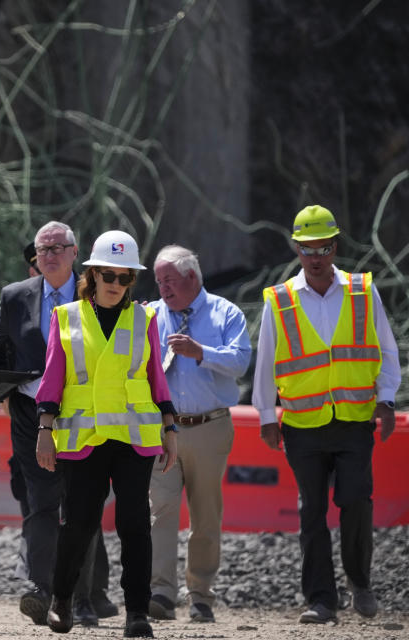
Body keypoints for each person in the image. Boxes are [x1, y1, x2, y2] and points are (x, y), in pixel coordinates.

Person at [252, 205, 401, 624]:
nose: (315, 257)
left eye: (323, 247)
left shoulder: (361, 290)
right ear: (296, 250)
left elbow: (386, 349)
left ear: (335, 247)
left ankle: (360, 582)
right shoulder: (279, 301)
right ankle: (321, 600)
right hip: (302, 423)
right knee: (311, 510)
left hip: (354, 420)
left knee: (355, 500)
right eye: (307, 249)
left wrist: (386, 399)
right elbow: (266, 360)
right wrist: (266, 414)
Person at [35, 230, 178, 637]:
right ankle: (62, 601)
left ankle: (137, 613)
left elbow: (156, 380)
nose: (116, 284)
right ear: (93, 274)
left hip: (134, 439)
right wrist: (45, 430)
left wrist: (169, 428)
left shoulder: (145, 319)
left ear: (131, 281)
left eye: (124, 277)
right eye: (108, 275)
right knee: (78, 524)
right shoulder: (65, 318)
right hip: (84, 438)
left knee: (135, 524)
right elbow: (52, 380)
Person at [0, 222, 116, 627]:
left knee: (81, 507)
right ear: (35, 257)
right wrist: (7, 384)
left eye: (59, 247)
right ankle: (41, 590)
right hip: (29, 415)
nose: (51, 254)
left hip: (82, 414)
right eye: (44, 249)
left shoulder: (100, 292)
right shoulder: (16, 296)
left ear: (76, 253)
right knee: (40, 503)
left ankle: (83, 598)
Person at [147, 245, 252, 623]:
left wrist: (201, 352)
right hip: (163, 429)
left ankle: (201, 595)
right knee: (160, 511)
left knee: (205, 515)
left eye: (170, 280)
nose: (163, 288)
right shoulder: (150, 316)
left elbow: (241, 362)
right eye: (159, 281)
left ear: (192, 277)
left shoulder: (227, 313)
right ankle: (160, 593)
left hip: (210, 425)